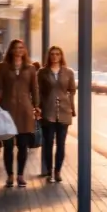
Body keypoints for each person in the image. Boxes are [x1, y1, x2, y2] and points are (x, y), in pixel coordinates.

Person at [0, 39, 40, 188]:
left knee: (22, 145)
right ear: (11, 50)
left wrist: (37, 106)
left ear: (24, 50)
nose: (19, 50)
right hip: (7, 109)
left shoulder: (31, 68)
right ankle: (10, 175)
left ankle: (20, 175)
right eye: (16, 47)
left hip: (25, 111)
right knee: (8, 146)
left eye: (21, 47)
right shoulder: (3, 67)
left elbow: (34, 89)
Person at [37, 46, 76, 183]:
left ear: (61, 56)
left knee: (61, 143)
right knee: (48, 143)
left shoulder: (68, 72)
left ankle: (57, 171)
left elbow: (72, 90)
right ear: (49, 56)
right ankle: (49, 170)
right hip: (48, 111)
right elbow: (38, 91)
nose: (55, 56)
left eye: (57, 54)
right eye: (52, 54)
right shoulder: (42, 72)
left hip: (64, 111)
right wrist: (38, 107)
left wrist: (71, 105)